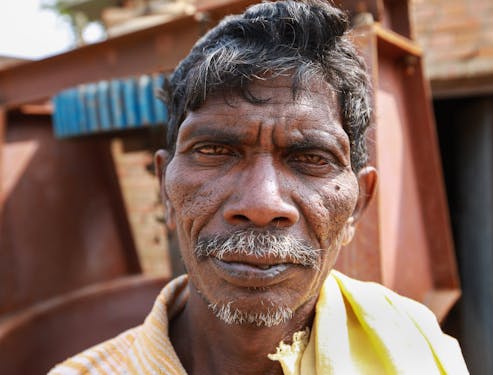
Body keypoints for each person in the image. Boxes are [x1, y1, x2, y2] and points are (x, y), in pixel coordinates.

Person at [49, 0, 468, 374]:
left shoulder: (412, 343)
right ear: (165, 188)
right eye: (215, 150)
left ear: (358, 205)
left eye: (311, 158)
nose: (261, 204)